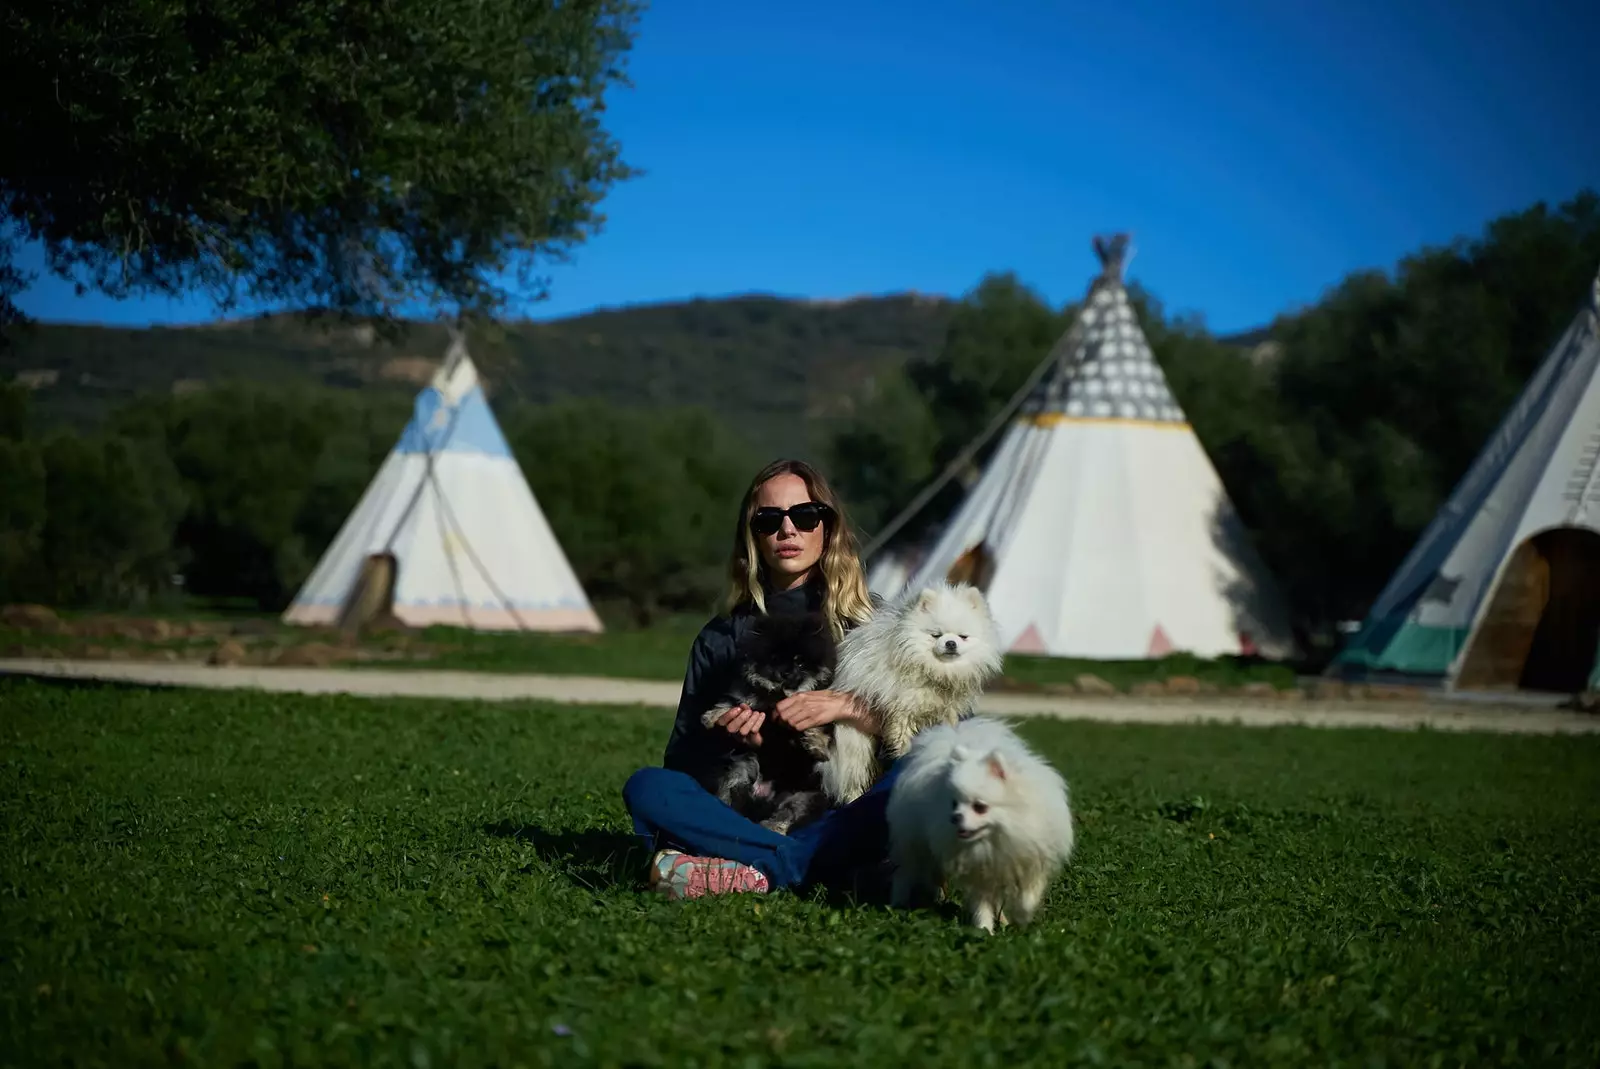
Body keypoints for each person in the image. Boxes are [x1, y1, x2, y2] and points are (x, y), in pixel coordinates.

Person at [621, 458, 900, 900]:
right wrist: (728, 742)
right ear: (752, 535)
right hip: (747, 807)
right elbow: (681, 759)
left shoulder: (872, 623)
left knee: (916, 774)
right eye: (769, 520)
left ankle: (753, 869)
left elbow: (947, 727)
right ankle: (809, 868)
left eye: (805, 517)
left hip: (844, 807)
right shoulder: (721, 636)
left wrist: (850, 708)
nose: (787, 531)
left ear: (828, 528)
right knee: (649, 787)